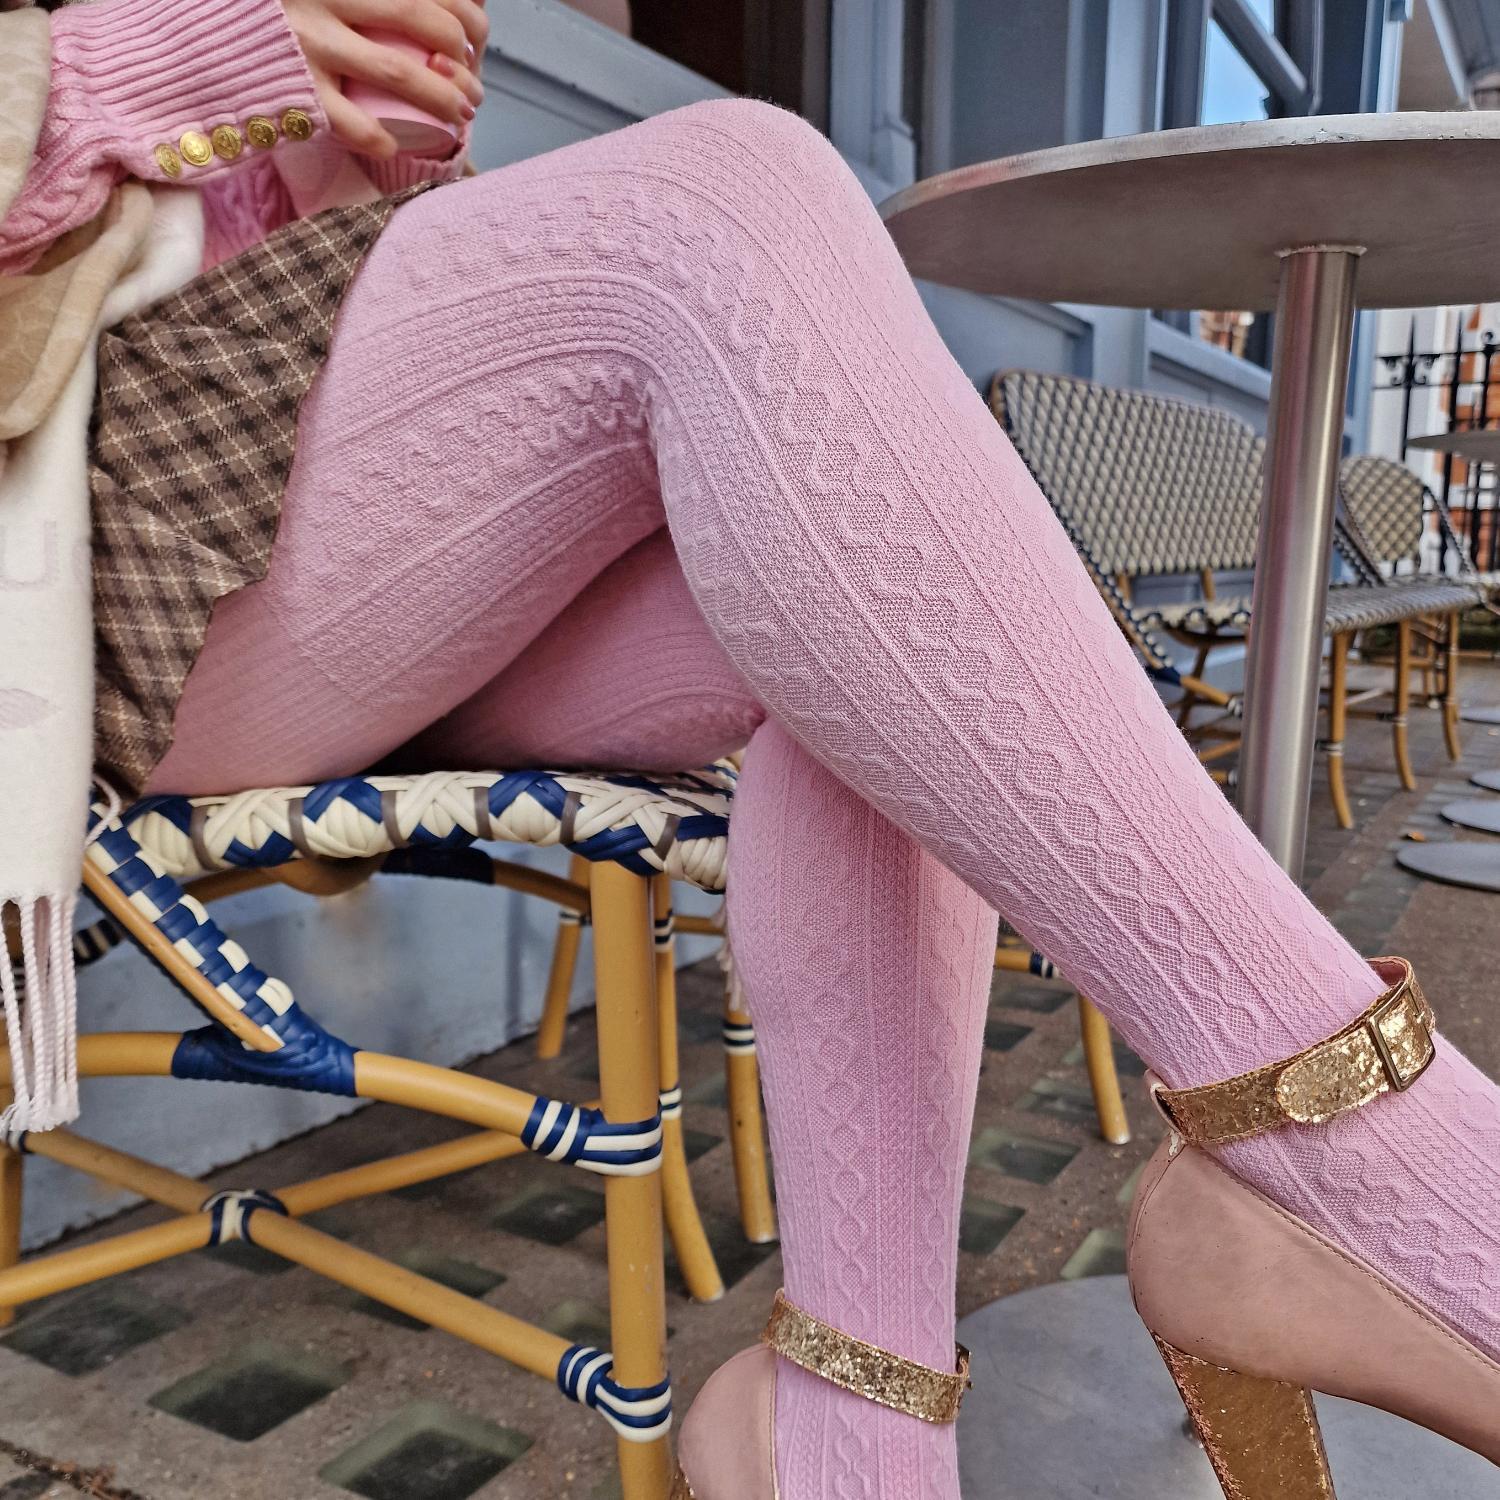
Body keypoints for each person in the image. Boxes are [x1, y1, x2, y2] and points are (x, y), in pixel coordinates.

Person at [2, 2, 1496, 1497]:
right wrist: (191, 53)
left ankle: (858, 1432)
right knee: (722, 199)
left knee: (872, 615)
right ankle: (1378, 1162)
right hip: (91, 553)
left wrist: (345, 138)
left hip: (290, 499)